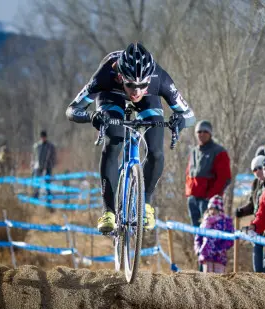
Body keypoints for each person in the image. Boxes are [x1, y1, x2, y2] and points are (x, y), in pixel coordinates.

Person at [65, 42, 196, 232]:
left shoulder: (160, 79)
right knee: (114, 142)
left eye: (142, 85)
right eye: (131, 85)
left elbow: (190, 115)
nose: (136, 91)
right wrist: (91, 117)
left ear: (149, 79)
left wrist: (180, 121)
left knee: (156, 151)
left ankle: (146, 204)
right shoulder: (106, 75)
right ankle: (109, 211)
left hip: (148, 101)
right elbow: (72, 110)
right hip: (111, 96)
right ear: (120, 77)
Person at [185, 120, 232, 227]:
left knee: (209, 233)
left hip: (208, 201)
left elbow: (225, 178)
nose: (202, 134)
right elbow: (189, 173)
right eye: (199, 131)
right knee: (196, 233)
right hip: (193, 198)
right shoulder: (193, 151)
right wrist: (189, 193)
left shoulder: (219, 152)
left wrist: (211, 196)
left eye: (205, 131)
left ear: (210, 133)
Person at [236, 155, 265, 272]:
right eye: (254, 169)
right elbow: (252, 204)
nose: (257, 171)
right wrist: (242, 211)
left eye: (259, 168)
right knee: (257, 254)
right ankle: (258, 276)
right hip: (257, 224)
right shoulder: (256, 183)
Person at [194, 195, 234, 273]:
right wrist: (198, 250)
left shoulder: (226, 222)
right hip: (206, 256)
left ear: (220, 210)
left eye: (215, 209)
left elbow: (230, 239)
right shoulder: (205, 222)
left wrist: (219, 249)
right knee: (207, 280)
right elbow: (198, 238)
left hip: (219, 257)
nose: (212, 211)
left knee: (218, 281)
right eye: (210, 209)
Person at [31, 130, 57, 199]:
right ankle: (35, 198)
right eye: (42, 137)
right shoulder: (37, 146)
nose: (43, 138)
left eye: (44, 137)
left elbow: (53, 157)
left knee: (47, 184)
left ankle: (49, 201)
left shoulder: (50, 146)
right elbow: (34, 156)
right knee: (37, 183)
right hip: (38, 167)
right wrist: (33, 165)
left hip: (48, 167)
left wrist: (51, 165)